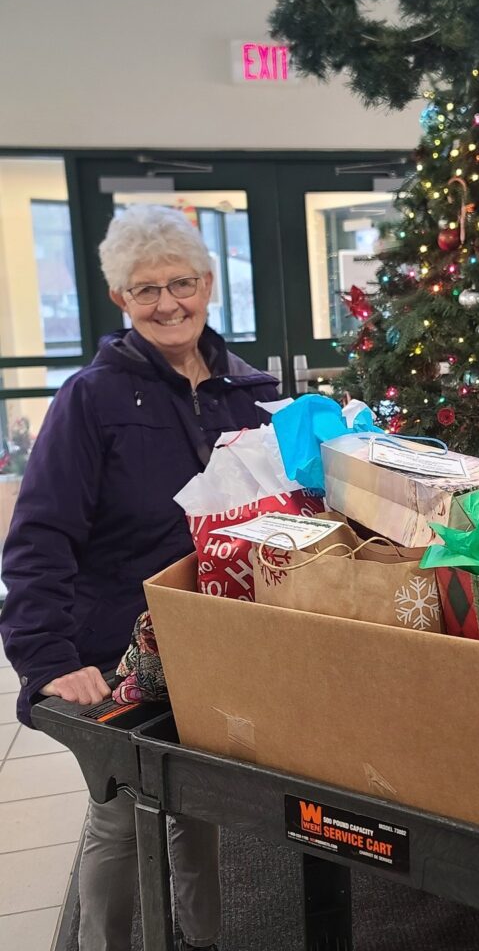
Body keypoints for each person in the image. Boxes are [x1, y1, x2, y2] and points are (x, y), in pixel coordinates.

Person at [0, 204, 280, 951]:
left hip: (215, 642)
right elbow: (39, 539)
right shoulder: (90, 400)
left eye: (180, 283)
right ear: (121, 299)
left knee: (199, 804)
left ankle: (200, 938)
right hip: (119, 650)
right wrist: (50, 660)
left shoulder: (246, 393)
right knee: (121, 814)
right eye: (144, 289)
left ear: (209, 283)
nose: (167, 303)